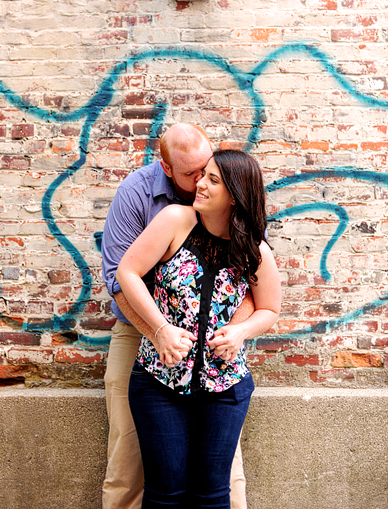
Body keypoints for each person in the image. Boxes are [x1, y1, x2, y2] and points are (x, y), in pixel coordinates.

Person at [118, 148, 281, 508]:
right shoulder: (175, 220)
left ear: (236, 194)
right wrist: (160, 329)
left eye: (212, 180)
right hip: (158, 382)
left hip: (225, 387)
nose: (200, 185)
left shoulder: (254, 249)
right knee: (165, 493)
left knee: (211, 495)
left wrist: (240, 332)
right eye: (201, 175)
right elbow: (126, 272)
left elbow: (270, 308)